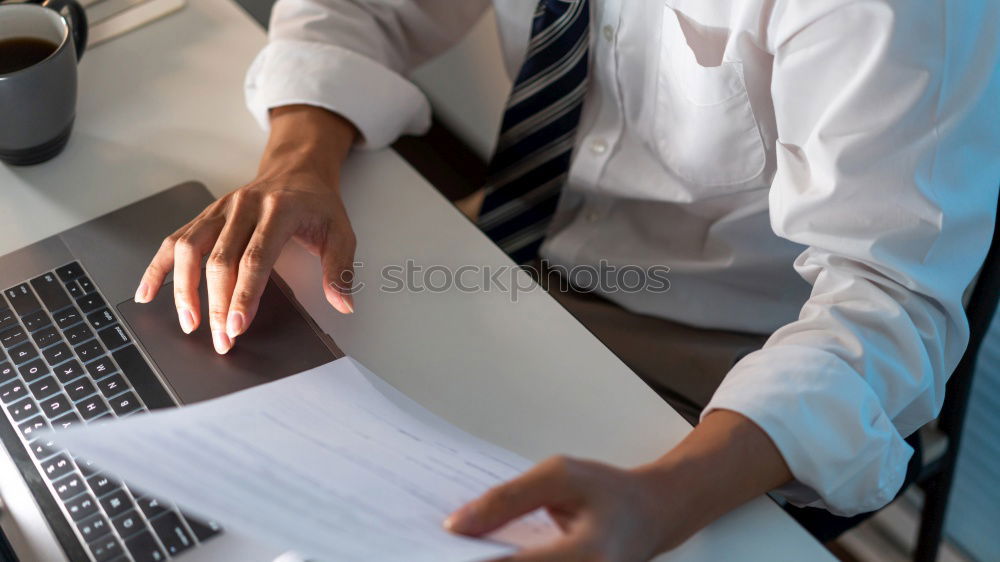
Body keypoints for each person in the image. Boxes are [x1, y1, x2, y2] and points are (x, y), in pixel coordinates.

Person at [133, 1, 1000, 559]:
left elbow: (890, 305)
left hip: (726, 367)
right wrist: (299, 160)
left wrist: (662, 502)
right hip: (509, 266)